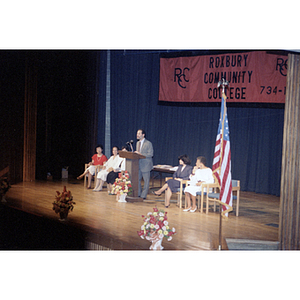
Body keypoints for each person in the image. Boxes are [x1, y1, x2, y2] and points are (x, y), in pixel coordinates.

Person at [135, 129, 153, 199]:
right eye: (137, 133)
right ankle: (139, 193)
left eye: (139, 133)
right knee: (137, 179)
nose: (137, 135)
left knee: (146, 181)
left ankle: (144, 195)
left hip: (146, 165)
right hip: (138, 164)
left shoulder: (148, 143)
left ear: (143, 135)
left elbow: (150, 154)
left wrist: (140, 154)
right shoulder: (137, 143)